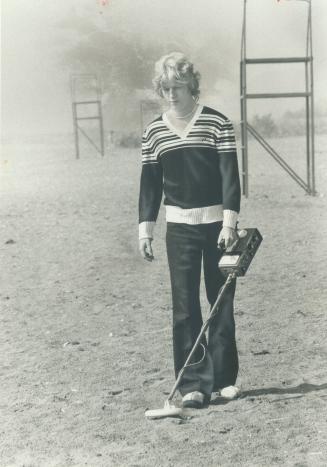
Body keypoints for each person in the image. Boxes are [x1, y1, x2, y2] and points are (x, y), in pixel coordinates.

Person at [138, 52, 241, 408]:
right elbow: (149, 185)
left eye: (177, 87)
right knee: (184, 310)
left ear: (191, 85)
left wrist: (229, 223)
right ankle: (193, 385)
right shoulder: (153, 131)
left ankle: (225, 379)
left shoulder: (217, 123)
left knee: (221, 301)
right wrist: (145, 231)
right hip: (179, 232)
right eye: (165, 88)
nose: (171, 94)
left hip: (218, 230)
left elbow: (231, 177)